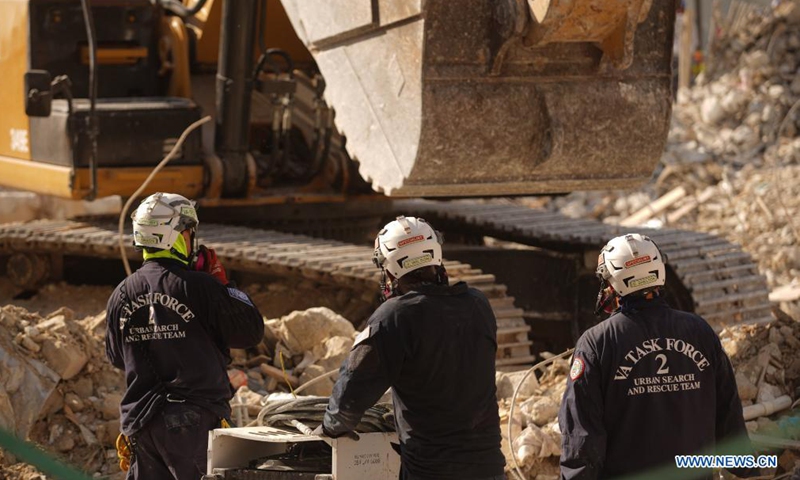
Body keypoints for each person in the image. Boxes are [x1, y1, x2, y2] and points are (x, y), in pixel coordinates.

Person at [315, 215, 506, 480]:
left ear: (390, 270)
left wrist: (330, 427)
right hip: (488, 468)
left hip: (431, 471)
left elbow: (350, 396)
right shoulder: (478, 304)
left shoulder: (393, 317)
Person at [559, 233, 757, 479]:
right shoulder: (700, 332)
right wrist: (749, 471)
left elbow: (582, 435)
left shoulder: (596, 343)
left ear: (612, 282)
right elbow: (728, 415)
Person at [105, 192, 264, 480]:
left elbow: (118, 357)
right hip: (192, 422)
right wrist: (223, 285)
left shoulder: (121, 293)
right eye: (189, 231)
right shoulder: (199, 286)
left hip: (142, 423)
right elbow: (250, 331)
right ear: (176, 235)